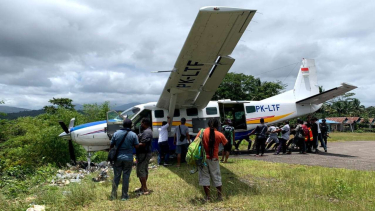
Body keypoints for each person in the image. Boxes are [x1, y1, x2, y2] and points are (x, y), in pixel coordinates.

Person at [197, 118, 228, 201]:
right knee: (216, 176)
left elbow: (195, 142)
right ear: (217, 125)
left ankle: (208, 197)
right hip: (214, 158)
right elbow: (225, 143)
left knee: (205, 177)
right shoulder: (219, 134)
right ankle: (219, 196)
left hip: (203, 158)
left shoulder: (201, 132)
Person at [110, 119, 139, 200]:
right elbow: (137, 146)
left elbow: (111, 145)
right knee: (126, 176)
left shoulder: (116, 133)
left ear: (122, 125)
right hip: (128, 158)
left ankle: (113, 195)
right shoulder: (133, 135)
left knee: (116, 176)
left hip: (118, 158)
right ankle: (124, 196)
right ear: (130, 126)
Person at [135, 118, 153, 195]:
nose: (141, 125)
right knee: (144, 170)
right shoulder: (148, 131)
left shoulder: (146, 132)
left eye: (141, 123)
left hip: (143, 153)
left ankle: (144, 189)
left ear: (145, 123)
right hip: (145, 153)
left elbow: (143, 144)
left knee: (141, 170)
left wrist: (135, 144)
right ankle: (143, 187)